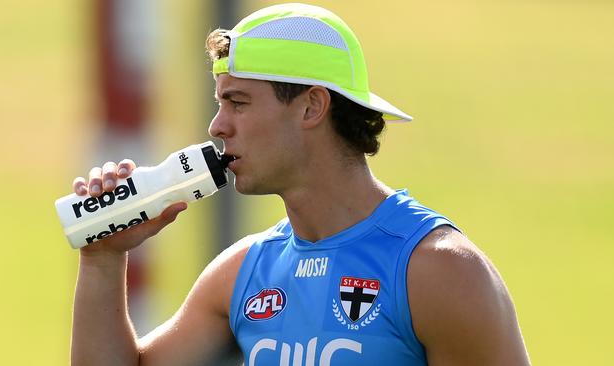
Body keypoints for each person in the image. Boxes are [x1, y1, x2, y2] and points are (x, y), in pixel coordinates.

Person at [70, 3, 530, 365]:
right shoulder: (242, 274)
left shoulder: (439, 272)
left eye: (238, 103)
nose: (217, 127)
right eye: (220, 102)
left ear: (312, 107)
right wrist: (103, 260)